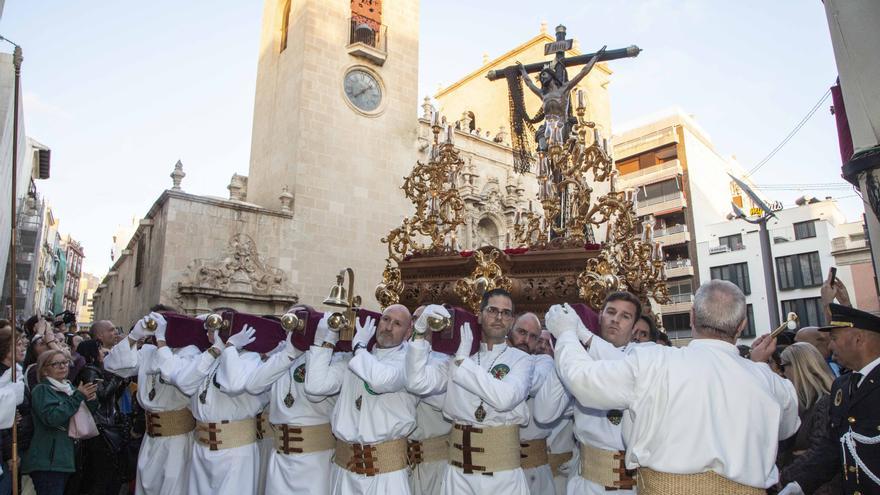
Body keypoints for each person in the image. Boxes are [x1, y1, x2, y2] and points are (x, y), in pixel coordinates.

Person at [548, 280, 800, 492]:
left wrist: (567, 333)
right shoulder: (773, 384)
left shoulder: (655, 363)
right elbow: (787, 429)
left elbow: (582, 380)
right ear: (742, 325)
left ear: (692, 316)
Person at [536, 292, 644, 495]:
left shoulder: (644, 355)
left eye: (625, 316)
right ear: (600, 316)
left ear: (634, 327)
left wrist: (583, 335)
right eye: (610, 312)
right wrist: (566, 349)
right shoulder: (578, 358)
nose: (615, 319)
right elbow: (543, 414)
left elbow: (625, 370)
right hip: (586, 483)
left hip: (631, 485)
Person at [306, 304, 417, 495]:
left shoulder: (410, 361)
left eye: (397, 324)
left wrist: (359, 347)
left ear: (408, 333)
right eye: (385, 319)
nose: (388, 327)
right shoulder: (354, 358)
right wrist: (325, 341)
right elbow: (315, 387)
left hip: (386, 472)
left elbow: (380, 381)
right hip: (345, 468)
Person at [779, 303, 880, 495]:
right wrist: (799, 484)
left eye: (834, 338)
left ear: (858, 339)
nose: (830, 346)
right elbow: (831, 447)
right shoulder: (842, 385)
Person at [441, 288, 533, 495]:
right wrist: (420, 337)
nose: (499, 317)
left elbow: (504, 398)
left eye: (506, 313)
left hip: (503, 476)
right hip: (458, 474)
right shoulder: (462, 356)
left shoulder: (522, 360)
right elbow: (418, 383)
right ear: (480, 316)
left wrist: (462, 364)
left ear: (512, 321)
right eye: (492, 310)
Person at [103, 311, 199, 495]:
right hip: (150, 437)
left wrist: (162, 341)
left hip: (177, 439)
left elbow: (179, 377)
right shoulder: (149, 352)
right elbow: (113, 365)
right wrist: (134, 336)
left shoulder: (190, 353)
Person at [245, 309, 336, 495]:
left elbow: (316, 391)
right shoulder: (282, 356)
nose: (293, 328)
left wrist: (320, 343)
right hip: (280, 457)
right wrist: (289, 352)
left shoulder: (330, 358)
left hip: (315, 460)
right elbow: (253, 386)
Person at [168, 322, 262, 495]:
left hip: (234, 450)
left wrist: (230, 347)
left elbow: (233, 384)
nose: (209, 333)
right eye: (209, 329)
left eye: (216, 329)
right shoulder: (207, 357)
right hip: (201, 448)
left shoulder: (250, 358)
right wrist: (216, 349)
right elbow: (184, 383)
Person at [22, 349, 98, 495]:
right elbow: (52, 418)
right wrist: (78, 397)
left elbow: (85, 416)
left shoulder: (71, 389)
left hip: (66, 459)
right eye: (56, 364)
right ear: (44, 370)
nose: (62, 366)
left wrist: (91, 399)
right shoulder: (42, 390)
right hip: (48, 461)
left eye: (65, 362)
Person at [775, 343, 839, 494]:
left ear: (798, 367)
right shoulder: (801, 404)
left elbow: (821, 452)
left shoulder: (826, 403)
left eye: (783, 367)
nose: (781, 373)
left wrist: (784, 476)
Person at [404, 304, 453, 495]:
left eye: (425, 318)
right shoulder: (400, 355)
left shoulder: (444, 361)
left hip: (435, 461)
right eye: (415, 319)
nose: (419, 323)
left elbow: (445, 403)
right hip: (401, 460)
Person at [73, 339, 129, 495]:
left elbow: (112, 396)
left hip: (105, 424)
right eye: (99, 348)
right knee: (100, 472)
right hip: (99, 427)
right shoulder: (90, 371)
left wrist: (121, 383)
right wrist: (117, 376)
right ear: (92, 354)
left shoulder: (98, 370)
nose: (103, 351)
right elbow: (101, 395)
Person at [510, 313, 557, 495]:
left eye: (533, 336)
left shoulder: (543, 362)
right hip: (499, 466)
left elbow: (532, 384)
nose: (526, 340)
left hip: (535, 470)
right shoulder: (492, 358)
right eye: (521, 332)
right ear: (510, 330)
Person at [0, 324, 27, 495]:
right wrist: (9, 453)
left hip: (17, 442)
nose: (23, 347)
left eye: (24, 343)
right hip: (5, 447)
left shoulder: (17, 373)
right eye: (18, 344)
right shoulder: (3, 376)